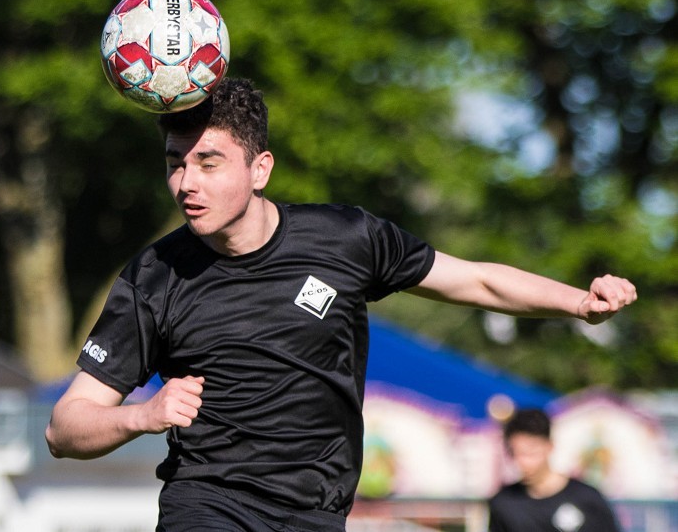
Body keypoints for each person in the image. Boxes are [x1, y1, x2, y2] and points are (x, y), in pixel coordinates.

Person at [45, 78, 637, 532]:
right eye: (175, 165)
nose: (186, 184)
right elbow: (64, 427)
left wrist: (578, 303)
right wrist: (141, 416)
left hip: (319, 514)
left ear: (260, 169)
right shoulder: (155, 276)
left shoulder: (346, 239)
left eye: (208, 162)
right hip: (209, 503)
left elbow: (477, 282)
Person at [488, 408, 622, 531]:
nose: (523, 462)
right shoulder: (504, 503)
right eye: (515, 454)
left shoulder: (588, 499)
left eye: (530, 453)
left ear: (549, 446)